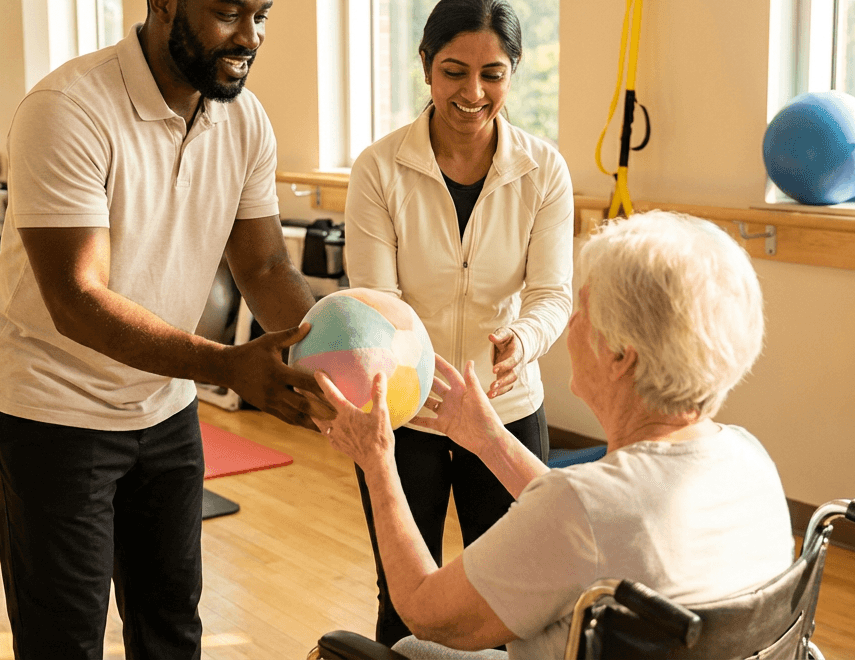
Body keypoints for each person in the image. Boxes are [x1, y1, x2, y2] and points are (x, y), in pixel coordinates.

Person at [0, 0, 332, 660]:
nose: (250, 36)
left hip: (163, 404)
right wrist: (226, 366)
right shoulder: (67, 110)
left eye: (261, 15)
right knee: (64, 640)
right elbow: (77, 298)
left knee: (172, 627)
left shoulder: (245, 122)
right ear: (163, 1)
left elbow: (264, 266)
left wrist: (336, 360)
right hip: (53, 406)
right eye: (229, 11)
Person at [315, 211, 794, 659]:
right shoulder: (751, 460)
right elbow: (595, 527)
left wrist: (377, 460)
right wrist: (488, 438)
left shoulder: (578, 510)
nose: (570, 324)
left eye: (583, 310)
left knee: (407, 651)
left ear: (620, 355)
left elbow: (424, 612)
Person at [343, 0, 574, 647]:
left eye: (492, 73)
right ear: (425, 66)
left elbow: (553, 292)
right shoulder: (379, 169)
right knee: (405, 596)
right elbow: (376, 304)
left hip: (505, 408)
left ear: (512, 74)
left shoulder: (543, 170)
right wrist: (419, 379)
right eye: (455, 71)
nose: (473, 92)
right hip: (404, 414)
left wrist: (520, 343)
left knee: (507, 601)